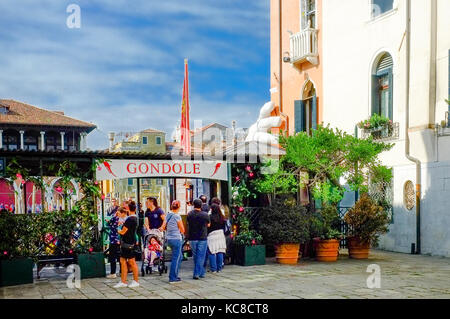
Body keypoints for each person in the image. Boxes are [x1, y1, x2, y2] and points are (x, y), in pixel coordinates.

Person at [114, 202, 139, 288]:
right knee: (123, 261)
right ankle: (123, 281)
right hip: (129, 242)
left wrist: (117, 230)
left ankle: (135, 281)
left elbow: (123, 231)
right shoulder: (134, 218)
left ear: (128, 208)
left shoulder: (130, 219)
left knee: (131, 262)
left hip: (127, 242)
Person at [160, 200, 185, 283]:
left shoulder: (168, 215)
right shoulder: (177, 216)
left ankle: (175, 275)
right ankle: (173, 277)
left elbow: (163, 227)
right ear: (179, 207)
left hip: (169, 239)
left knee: (179, 257)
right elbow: (182, 229)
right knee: (176, 258)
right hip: (176, 239)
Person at [187, 199, 210, 280]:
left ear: (194, 205)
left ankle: (202, 272)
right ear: (201, 205)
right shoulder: (205, 215)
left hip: (192, 237)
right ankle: (197, 273)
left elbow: (188, 223)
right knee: (201, 256)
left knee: (196, 256)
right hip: (202, 237)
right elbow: (208, 224)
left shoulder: (190, 214)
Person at [207, 204, 227, 273]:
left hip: (212, 235)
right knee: (220, 250)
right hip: (220, 234)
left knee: (212, 251)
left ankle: (213, 268)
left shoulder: (210, 217)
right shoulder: (222, 217)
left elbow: (208, 226)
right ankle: (219, 268)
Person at [106, 209, 121, 279]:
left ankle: (113, 273)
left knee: (112, 256)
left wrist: (108, 221)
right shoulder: (120, 220)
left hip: (113, 240)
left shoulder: (115, 219)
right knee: (119, 256)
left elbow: (109, 224)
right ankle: (121, 271)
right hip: (117, 240)